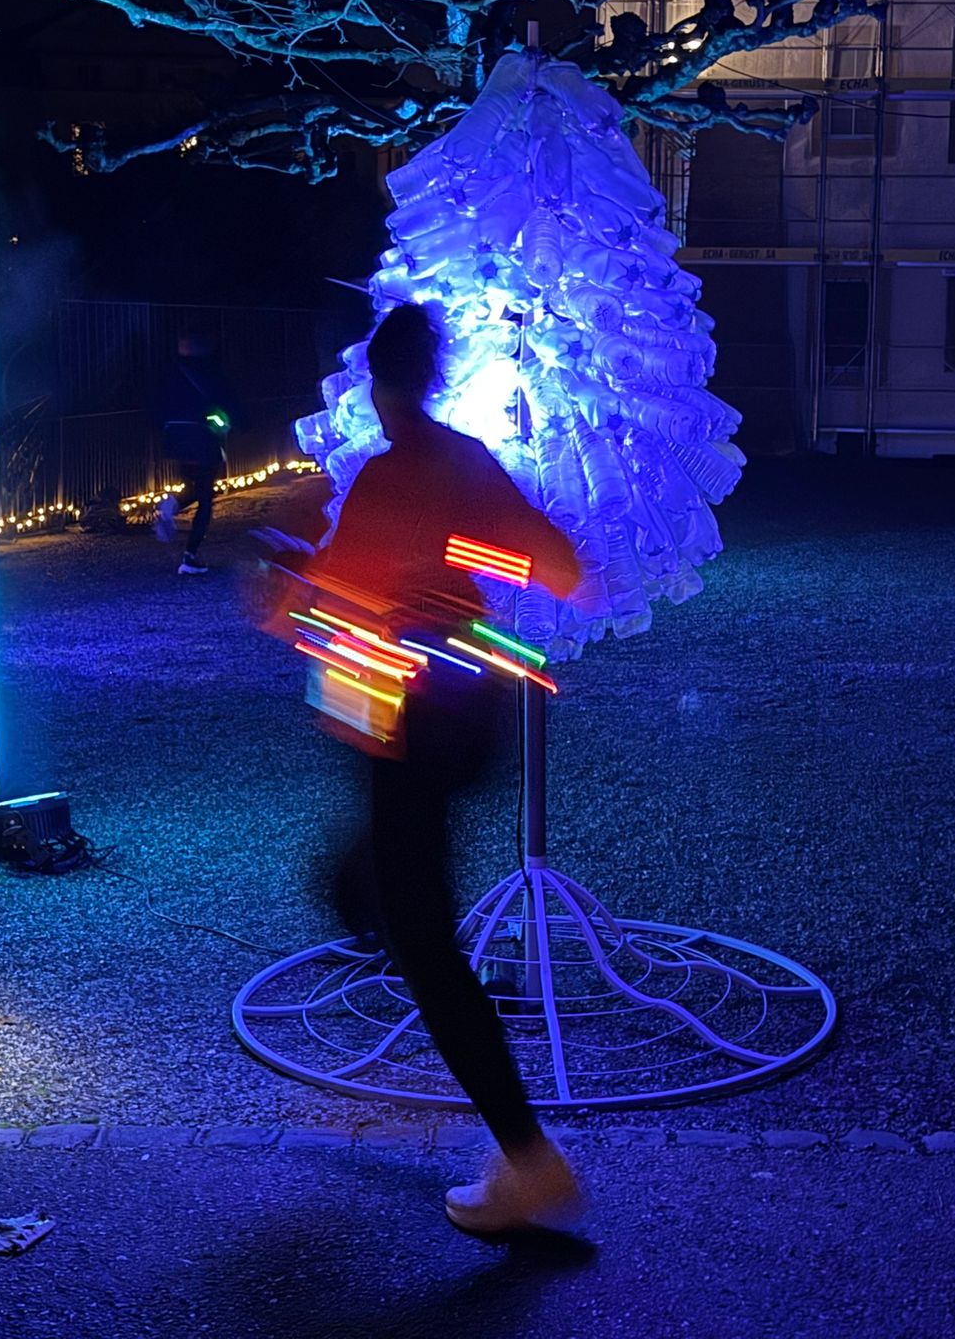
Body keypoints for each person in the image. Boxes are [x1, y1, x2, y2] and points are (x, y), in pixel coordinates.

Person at [257, 303, 587, 1236]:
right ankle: (377, 912)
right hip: (464, 718)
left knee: (427, 946)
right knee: (359, 881)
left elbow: (332, 603)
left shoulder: (388, 476)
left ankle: (529, 1163)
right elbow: (558, 567)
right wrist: (455, 557)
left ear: (376, 384)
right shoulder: (465, 460)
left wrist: (288, 581)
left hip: (409, 726)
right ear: (432, 379)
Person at [156, 330, 235, 574]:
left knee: (193, 486)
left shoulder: (171, 371)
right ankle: (190, 556)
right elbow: (222, 402)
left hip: (176, 439)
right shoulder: (208, 371)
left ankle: (172, 504)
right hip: (202, 438)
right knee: (205, 499)